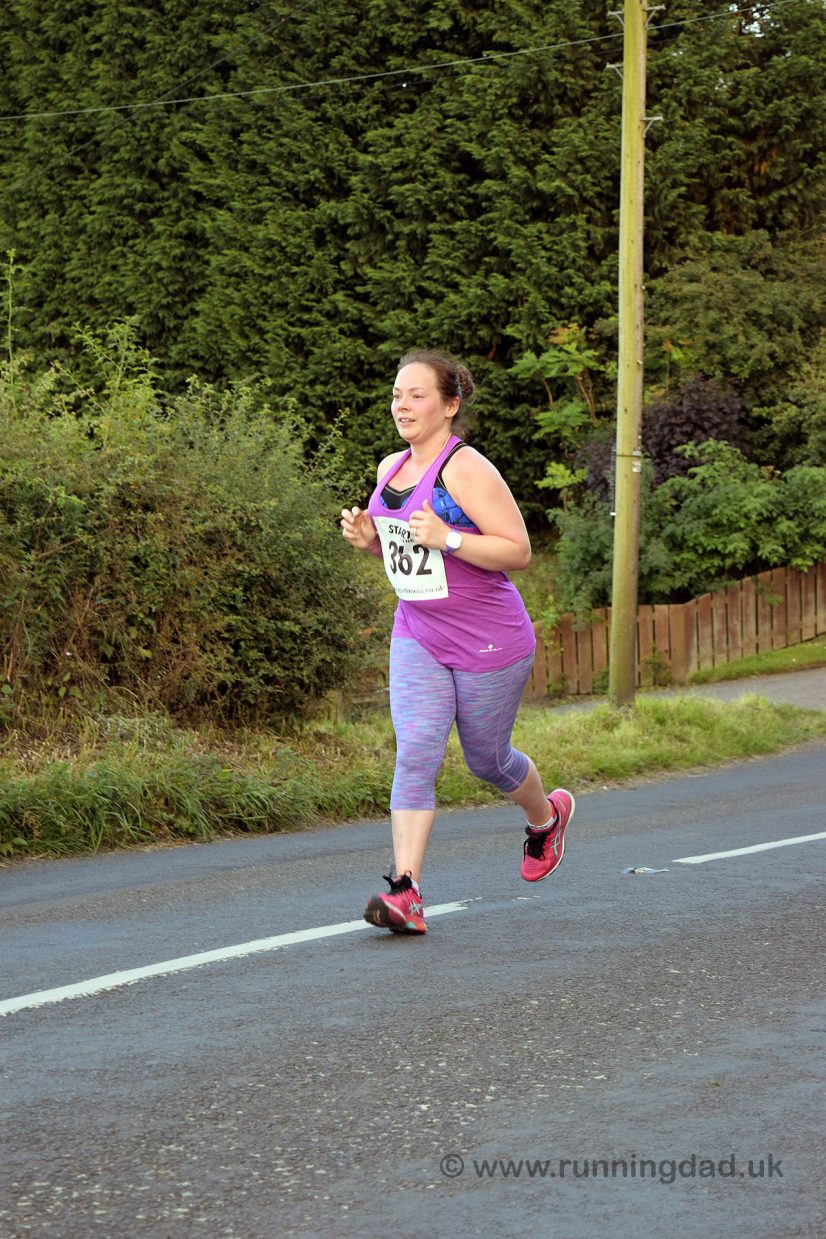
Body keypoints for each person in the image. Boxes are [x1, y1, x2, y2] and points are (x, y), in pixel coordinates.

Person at [340, 349, 574, 935]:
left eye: (417, 395)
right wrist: (372, 543)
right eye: (397, 394)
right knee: (416, 748)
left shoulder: (466, 468)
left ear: (449, 406)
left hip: (489, 641)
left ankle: (546, 818)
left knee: (486, 760)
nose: (402, 404)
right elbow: (405, 556)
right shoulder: (388, 470)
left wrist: (449, 539)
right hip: (418, 632)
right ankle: (405, 891)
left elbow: (518, 551)